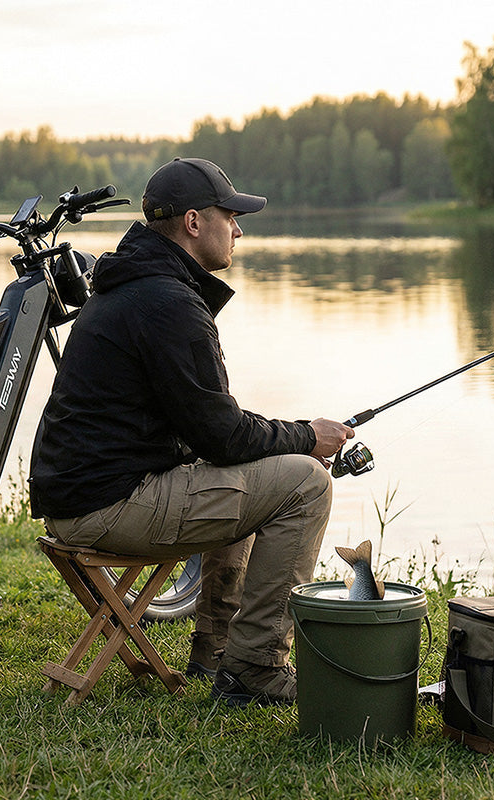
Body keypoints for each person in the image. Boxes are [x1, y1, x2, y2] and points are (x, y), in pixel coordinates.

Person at [29, 157, 354, 706]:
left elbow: (211, 432)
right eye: (231, 216)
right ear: (194, 222)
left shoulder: (135, 285)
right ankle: (255, 668)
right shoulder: (167, 301)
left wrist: (278, 442)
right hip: (107, 506)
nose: (240, 229)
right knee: (306, 485)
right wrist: (307, 436)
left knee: (259, 473)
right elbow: (223, 436)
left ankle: (216, 654)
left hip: (81, 497)